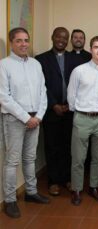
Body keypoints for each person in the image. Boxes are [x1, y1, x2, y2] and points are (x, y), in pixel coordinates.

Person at [0, 27, 50, 218]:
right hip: (14, 119)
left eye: (26, 40)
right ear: (12, 43)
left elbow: (42, 92)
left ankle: (31, 192)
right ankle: (11, 200)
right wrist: (26, 117)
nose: (23, 44)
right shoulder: (4, 65)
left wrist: (38, 116)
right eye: (19, 40)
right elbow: (4, 97)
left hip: (35, 118)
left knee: (30, 158)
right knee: (12, 161)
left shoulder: (36, 64)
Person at [67, 36, 98, 206]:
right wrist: (80, 112)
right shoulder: (79, 70)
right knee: (78, 158)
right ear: (91, 49)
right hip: (82, 117)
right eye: (96, 47)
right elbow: (71, 96)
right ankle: (77, 189)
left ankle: (94, 186)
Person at [36, 27, 82, 196]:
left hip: (70, 110)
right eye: (58, 37)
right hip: (50, 110)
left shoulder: (74, 60)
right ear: (52, 37)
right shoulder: (40, 59)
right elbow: (41, 86)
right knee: (52, 146)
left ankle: (68, 178)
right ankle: (54, 181)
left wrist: (71, 103)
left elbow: (78, 84)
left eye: (65, 37)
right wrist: (53, 104)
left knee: (69, 146)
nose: (62, 40)